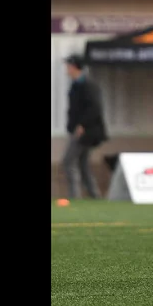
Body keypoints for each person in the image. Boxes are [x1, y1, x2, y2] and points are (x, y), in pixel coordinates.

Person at [62, 54, 108, 200]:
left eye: (68, 66)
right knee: (83, 165)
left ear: (74, 67)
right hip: (78, 129)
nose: (67, 70)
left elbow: (95, 108)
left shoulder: (88, 85)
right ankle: (95, 196)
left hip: (85, 132)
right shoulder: (76, 85)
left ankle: (74, 196)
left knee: (68, 161)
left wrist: (82, 125)